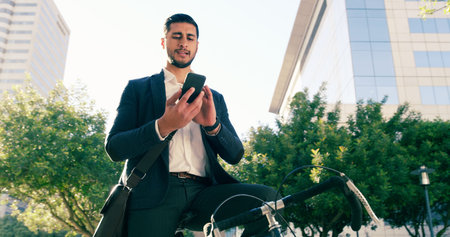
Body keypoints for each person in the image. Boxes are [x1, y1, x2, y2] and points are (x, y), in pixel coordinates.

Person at [105, 13, 278, 237]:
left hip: (205, 194)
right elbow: (115, 148)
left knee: (268, 200)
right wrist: (162, 126)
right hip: (153, 195)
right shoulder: (138, 89)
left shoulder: (213, 97)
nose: (183, 42)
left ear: (197, 45)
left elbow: (235, 154)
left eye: (190, 38)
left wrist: (212, 126)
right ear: (163, 41)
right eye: (176, 36)